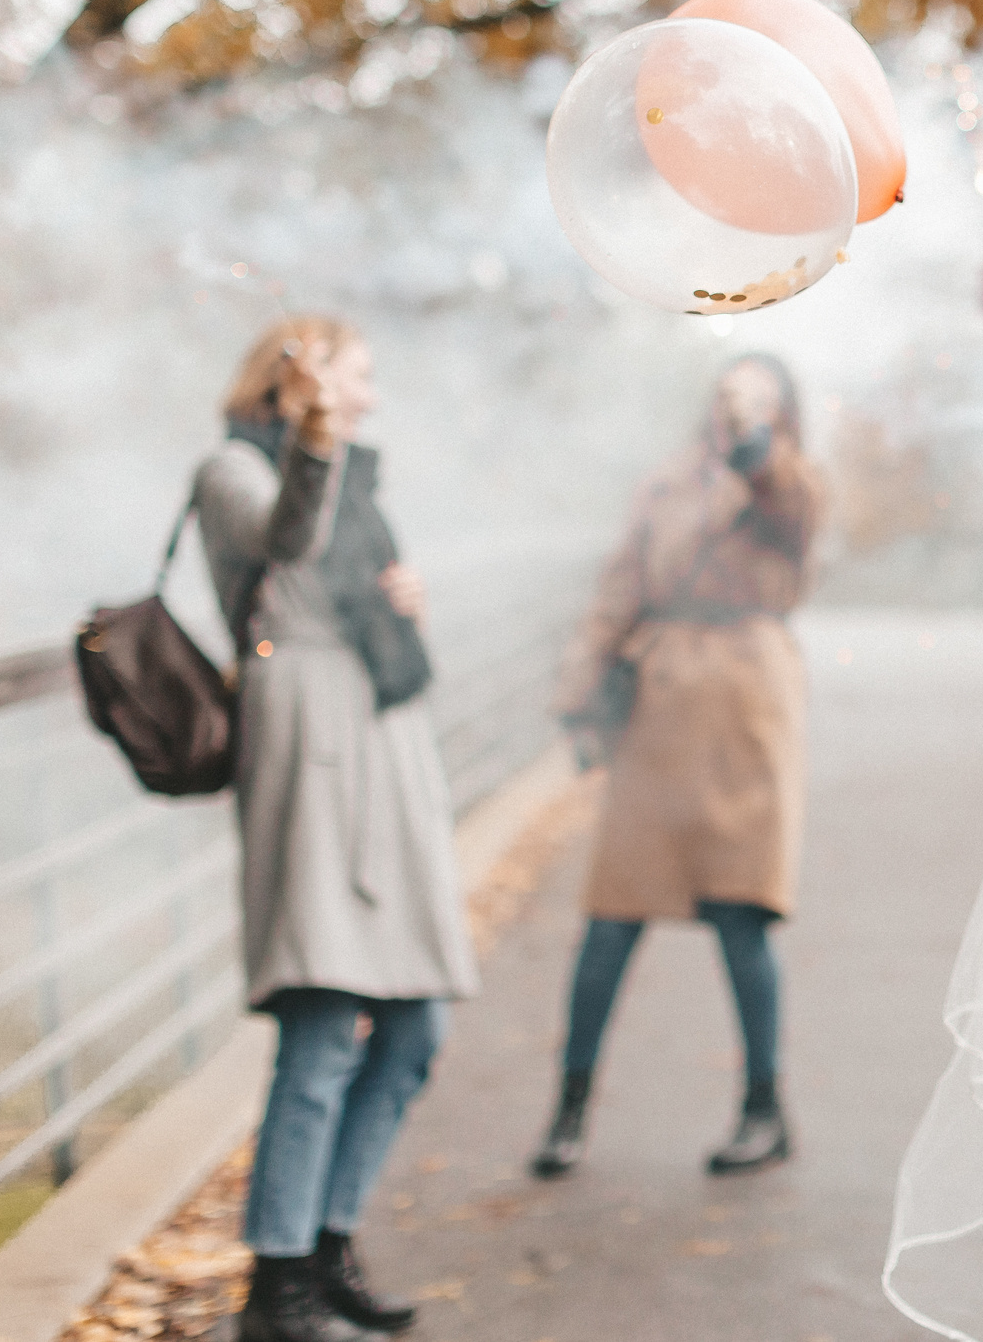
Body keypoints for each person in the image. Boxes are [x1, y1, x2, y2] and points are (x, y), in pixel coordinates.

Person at [196, 318, 479, 1342]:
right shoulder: (229, 469)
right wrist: (317, 440)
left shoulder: (355, 475)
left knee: (413, 1029)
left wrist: (408, 600)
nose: (368, 400)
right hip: (310, 747)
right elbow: (287, 539)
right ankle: (277, 1288)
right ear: (298, 378)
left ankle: (326, 1243)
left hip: (382, 747)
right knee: (322, 1023)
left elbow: (356, 580)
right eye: (356, 378)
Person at [531, 355, 821, 1180]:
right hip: (658, 709)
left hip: (746, 706)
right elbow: (616, 591)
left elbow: (789, 507)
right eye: (732, 393)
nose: (740, 407)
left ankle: (765, 1109)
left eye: (762, 397)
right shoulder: (664, 483)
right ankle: (569, 1109)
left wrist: (754, 439)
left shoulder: (792, 480)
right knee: (610, 919)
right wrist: (577, 691)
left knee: (743, 915)